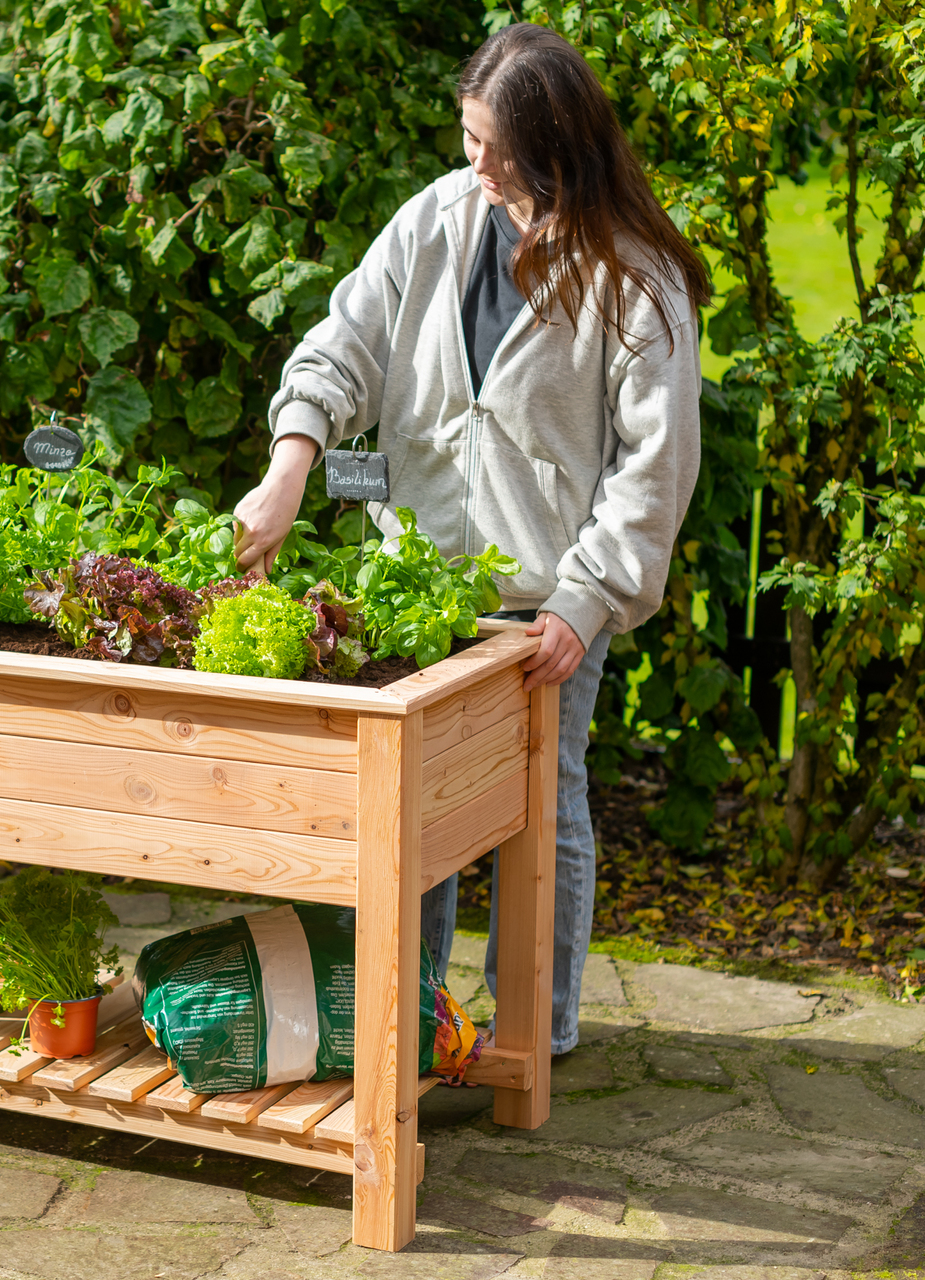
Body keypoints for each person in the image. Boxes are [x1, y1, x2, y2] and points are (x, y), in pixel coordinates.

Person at [229, 23, 709, 1057]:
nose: (474, 162)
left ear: (553, 150)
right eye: (469, 134)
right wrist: (290, 461)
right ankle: (412, 1021)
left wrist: (587, 600)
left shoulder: (635, 282)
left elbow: (653, 471)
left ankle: (538, 1027)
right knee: (417, 813)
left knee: (546, 805)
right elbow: (345, 344)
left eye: (493, 145)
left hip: (545, 611)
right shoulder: (437, 222)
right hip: (418, 588)